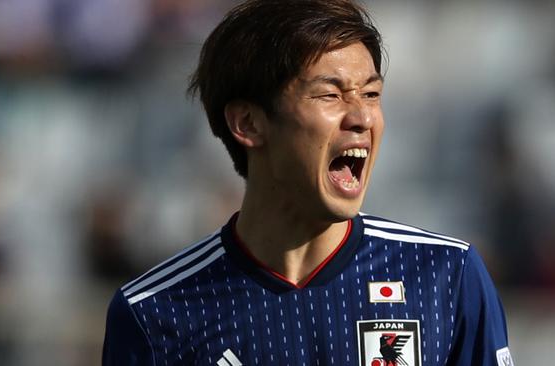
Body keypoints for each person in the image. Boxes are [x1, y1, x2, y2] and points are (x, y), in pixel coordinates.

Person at [102, 1, 513, 365]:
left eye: (371, 95)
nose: (362, 118)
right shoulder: (155, 313)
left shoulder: (447, 275)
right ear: (248, 122)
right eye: (330, 95)